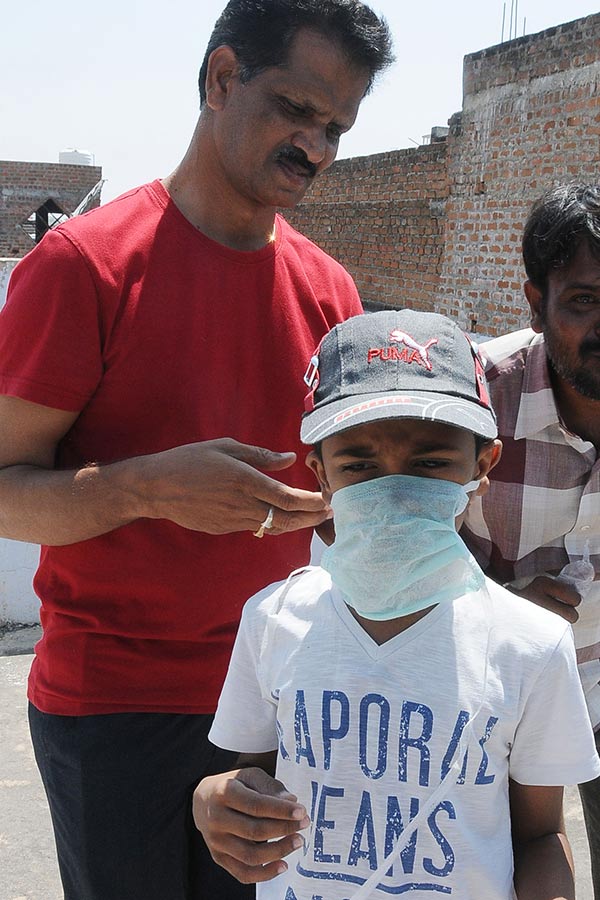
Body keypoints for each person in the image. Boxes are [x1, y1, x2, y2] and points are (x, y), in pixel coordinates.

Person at [0, 2, 394, 898]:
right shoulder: (84, 267)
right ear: (222, 79)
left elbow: (353, 504)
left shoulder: (332, 294)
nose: (318, 147)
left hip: (276, 704)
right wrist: (148, 488)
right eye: (297, 110)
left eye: (336, 127)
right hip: (112, 708)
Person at [193, 308, 600, 900]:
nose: (394, 485)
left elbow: (538, 834)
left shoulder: (531, 645)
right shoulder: (272, 619)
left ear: (482, 466)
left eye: (431, 462)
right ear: (321, 475)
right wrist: (217, 799)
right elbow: (249, 772)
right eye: (359, 463)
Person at [460, 182, 600, 897]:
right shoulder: (475, 402)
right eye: (583, 300)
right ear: (534, 301)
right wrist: (502, 607)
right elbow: (388, 554)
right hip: (487, 700)